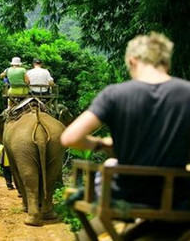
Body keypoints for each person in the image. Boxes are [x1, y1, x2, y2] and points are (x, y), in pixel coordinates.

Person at [60, 32, 190, 207]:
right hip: (178, 197)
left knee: (109, 165)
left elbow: (69, 138)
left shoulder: (114, 94)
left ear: (132, 61)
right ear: (166, 62)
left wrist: (101, 143)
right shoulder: (186, 92)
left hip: (126, 195)